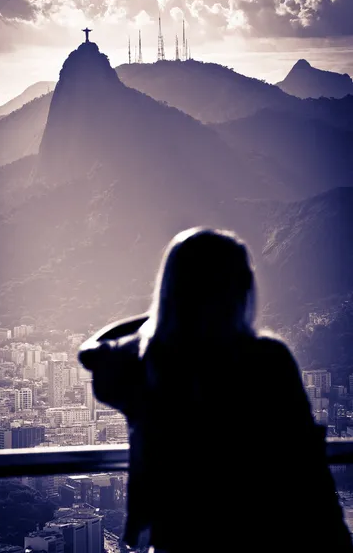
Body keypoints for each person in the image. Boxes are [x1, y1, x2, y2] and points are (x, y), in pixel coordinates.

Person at [79, 227, 352, 552]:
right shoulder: (266, 360)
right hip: (260, 536)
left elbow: (91, 351)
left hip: (176, 540)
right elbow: (308, 469)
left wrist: (162, 314)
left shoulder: (145, 365)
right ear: (239, 290)